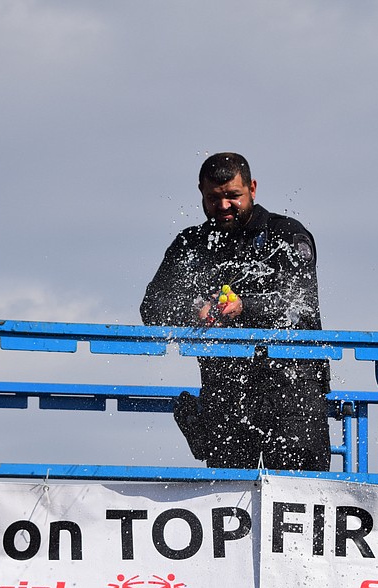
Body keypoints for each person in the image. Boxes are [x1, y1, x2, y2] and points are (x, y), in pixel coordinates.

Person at [140, 152, 331, 471]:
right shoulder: (191, 244)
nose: (224, 205)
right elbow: (152, 307)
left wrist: (244, 306)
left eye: (233, 195)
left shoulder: (284, 234)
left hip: (293, 388)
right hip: (226, 391)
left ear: (252, 188)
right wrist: (193, 309)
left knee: (302, 494)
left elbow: (302, 305)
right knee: (226, 500)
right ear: (200, 192)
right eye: (214, 198)